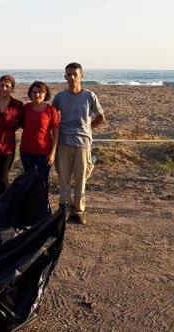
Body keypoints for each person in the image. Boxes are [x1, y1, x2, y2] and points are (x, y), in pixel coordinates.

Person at [52, 62, 105, 225]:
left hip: (83, 143)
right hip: (64, 142)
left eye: (75, 74)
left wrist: (88, 129)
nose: (72, 77)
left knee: (81, 179)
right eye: (69, 74)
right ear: (65, 76)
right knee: (64, 178)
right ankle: (63, 209)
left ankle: (78, 211)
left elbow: (101, 117)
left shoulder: (89, 95)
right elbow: (52, 117)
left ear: (82, 75)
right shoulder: (60, 97)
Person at [20, 81, 60, 183]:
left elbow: (55, 134)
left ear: (45, 94)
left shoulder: (51, 110)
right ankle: (29, 200)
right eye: (34, 92)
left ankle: (42, 199)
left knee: (42, 181)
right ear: (30, 93)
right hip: (26, 151)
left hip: (44, 153)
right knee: (28, 180)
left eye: (40, 92)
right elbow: (19, 124)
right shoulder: (25, 108)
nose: (37, 95)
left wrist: (52, 153)